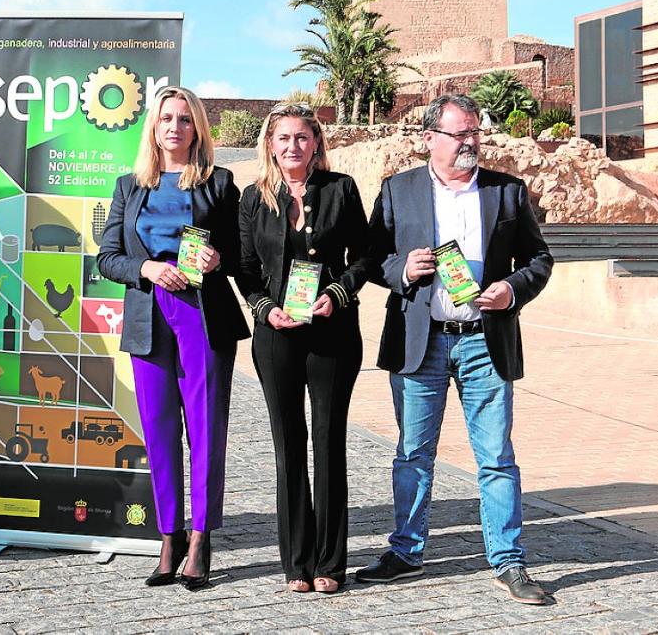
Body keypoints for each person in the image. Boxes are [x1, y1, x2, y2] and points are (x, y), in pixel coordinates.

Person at [359, 93, 554, 605]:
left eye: (475, 132)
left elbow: (539, 259)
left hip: (484, 345)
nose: (470, 141)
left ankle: (509, 562)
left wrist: (511, 289)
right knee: (413, 454)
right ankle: (406, 551)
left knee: (495, 457)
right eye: (459, 133)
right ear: (430, 138)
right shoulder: (398, 191)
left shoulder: (507, 192)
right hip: (421, 342)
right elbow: (370, 258)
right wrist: (402, 270)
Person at [96, 86, 249, 591]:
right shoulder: (128, 187)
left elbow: (240, 250)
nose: (175, 127)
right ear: (154, 127)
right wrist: (146, 268)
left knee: (205, 430)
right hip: (148, 314)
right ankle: (169, 534)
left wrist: (218, 258)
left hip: (203, 316)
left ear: (197, 128)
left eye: (185, 119)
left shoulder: (219, 183)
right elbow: (108, 257)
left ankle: (202, 536)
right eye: (167, 119)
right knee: (159, 432)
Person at [236, 104, 368, 594]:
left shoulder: (341, 190)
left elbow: (366, 256)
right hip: (276, 336)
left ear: (316, 143)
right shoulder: (253, 198)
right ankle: (297, 562)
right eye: (283, 138)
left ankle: (330, 562)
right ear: (270, 143)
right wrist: (265, 308)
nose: (293, 146)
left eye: (302, 137)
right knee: (288, 446)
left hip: (332, 331)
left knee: (329, 442)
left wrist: (337, 294)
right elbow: (245, 270)